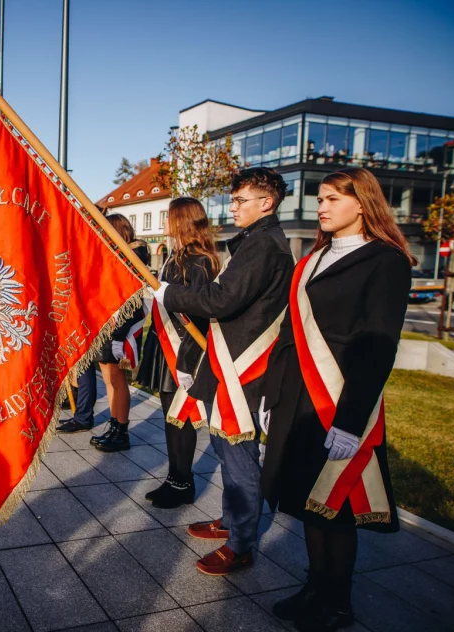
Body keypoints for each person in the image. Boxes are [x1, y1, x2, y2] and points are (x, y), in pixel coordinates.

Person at [261, 168, 413, 632]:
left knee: (337, 506)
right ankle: (314, 588)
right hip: (298, 398)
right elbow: (289, 336)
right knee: (307, 499)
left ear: (361, 204)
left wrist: (350, 421)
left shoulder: (386, 261)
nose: (321, 206)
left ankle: (338, 602)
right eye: (320, 198)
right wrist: (272, 394)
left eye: (331, 198)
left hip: (339, 399)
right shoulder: (313, 258)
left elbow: (378, 346)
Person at [152, 167, 294, 575]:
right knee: (227, 450)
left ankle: (241, 544)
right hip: (229, 362)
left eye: (240, 200)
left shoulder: (264, 244)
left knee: (239, 456)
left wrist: (168, 293)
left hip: (244, 366)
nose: (232, 207)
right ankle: (232, 521)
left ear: (266, 202)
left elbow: (221, 299)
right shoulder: (255, 240)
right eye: (232, 200)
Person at [140, 198, 217, 508]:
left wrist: (187, 361)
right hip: (165, 346)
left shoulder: (200, 261)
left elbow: (200, 312)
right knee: (171, 417)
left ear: (183, 221)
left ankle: (182, 482)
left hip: (184, 351)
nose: (164, 223)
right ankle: (175, 477)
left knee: (180, 417)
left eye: (169, 217)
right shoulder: (175, 258)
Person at [84, 214, 149, 452]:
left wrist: (119, 336)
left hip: (118, 328)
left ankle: (121, 431)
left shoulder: (131, 258)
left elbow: (129, 300)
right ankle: (114, 425)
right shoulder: (118, 257)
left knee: (117, 380)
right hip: (107, 325)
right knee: (109, 380)